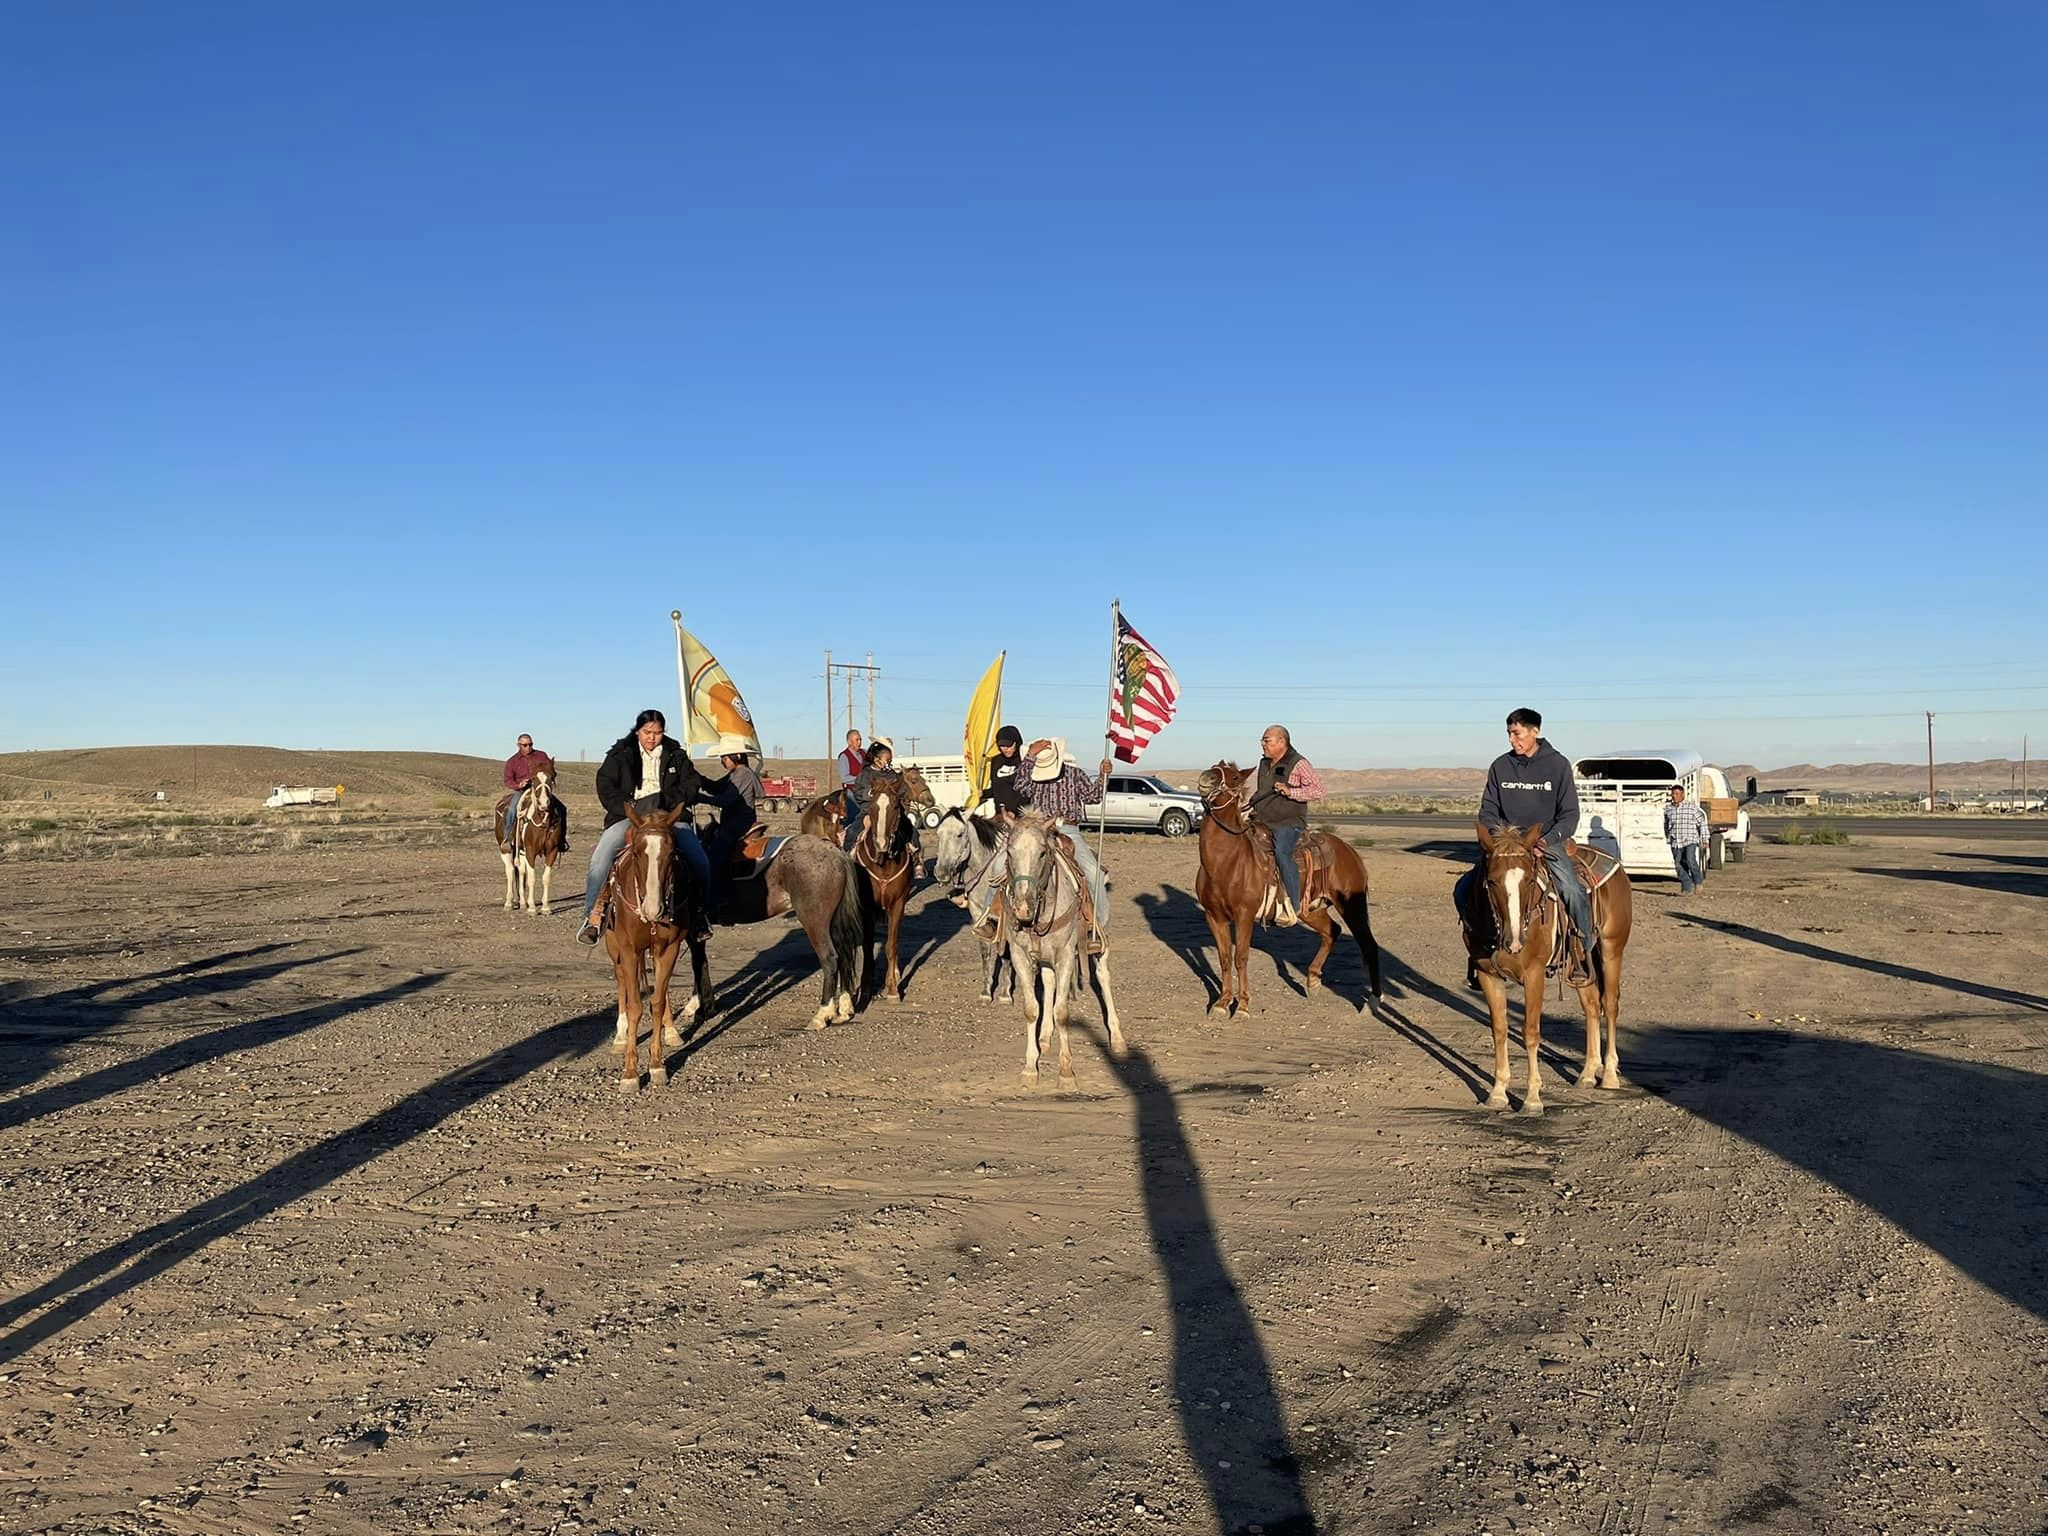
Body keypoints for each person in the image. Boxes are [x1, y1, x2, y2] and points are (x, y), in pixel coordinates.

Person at [1457, 707, 1598, 985]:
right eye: (1509, 733)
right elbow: (1488, 810)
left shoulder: (1557, 765)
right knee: (1464, 889)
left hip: (1544, 841)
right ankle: (1478, 954)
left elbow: (1569, 814)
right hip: (1506, 846)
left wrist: (1548, 838)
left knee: (1571, 888)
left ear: (1535, 732)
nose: (1512, 740)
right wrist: (1499, 839)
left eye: (1517, 733)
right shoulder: (1501, 766)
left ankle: (1582, 947)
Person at [576, 709, 713, 945]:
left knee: (698, 857)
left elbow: (691, 784)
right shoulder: (620, 754)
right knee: (602, 856)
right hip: (631, 817)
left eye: (657, 733)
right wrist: (628, 806)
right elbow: (605, 785)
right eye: (647, 732)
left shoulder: (676, 755)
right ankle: (593, 915)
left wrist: (668, 801)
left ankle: (701, 913)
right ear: (638, 731)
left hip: (667, 817)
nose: (652, 738)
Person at [996, 737, 1112, 955]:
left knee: (1093, 874)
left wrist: (1104, 777)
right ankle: (993, 919)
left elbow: (1094, 796)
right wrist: (1030, 756)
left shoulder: (1075, 775)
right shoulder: (1033, 775)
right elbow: (1019, 785)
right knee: (1002, 869)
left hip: (1069, 830)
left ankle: (1096, 929)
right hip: (1038, 832)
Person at [1248, 725, 1326, 927]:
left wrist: (1291, 792)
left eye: (1267, 740)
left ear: (1282, 741)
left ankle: (1294, 903)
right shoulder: (1264, 763)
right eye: (1263, 740)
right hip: (1262, 820)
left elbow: (1318, 790)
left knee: (1282, 852)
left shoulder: (1298, 763)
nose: (1262, 744)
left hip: (1288, 822)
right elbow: (1262, 791)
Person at [705, 739, 764, 908]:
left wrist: (699, 798)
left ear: (736, 756)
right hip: (733, 821)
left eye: (724, 757)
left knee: (716, 852)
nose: (722, 761)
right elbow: (715, 787)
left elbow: (725, 800)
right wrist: (696, 779)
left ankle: (720, 897)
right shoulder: (734, 773)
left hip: (739, 822)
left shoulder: (743, 774)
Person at [502, 733, 568, 853]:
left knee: (562, 808)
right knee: (512, 809)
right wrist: (519, 784)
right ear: (518, 745)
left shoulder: (541, 756)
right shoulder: (512, 761)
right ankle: (508, 839)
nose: (528, 747)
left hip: (541, 790)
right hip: (523, 791)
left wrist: (547, 778)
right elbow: (508, 780)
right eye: (525, 745)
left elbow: (551, 771)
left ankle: (561, 841)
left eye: (530, 744)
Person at [842, 737, 898, 852]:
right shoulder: (865, 774)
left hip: (890, 813)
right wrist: (868, 794)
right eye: (885, 759)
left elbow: (899, 791)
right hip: (868, 812)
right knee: (852, 832)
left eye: (889, 760)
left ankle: (917, 861)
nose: (888, 762)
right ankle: (848, 857)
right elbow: (857, 792)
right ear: (876, 759)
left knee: (912, 832)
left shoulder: (892, 775)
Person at [1665, 783, 1709, 896]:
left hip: (1690, 839)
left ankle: (1698, 883)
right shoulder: (1669, 809)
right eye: (1673, 794)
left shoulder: (1691, 808)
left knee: (1690, 860)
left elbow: (1702, 823)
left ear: (1682, 794)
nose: (1674, 796)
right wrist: (1668, 836)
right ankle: (1686, 887)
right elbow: (1666, 824)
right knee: (1678, 864)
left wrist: (1704, 839)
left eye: (1677, 794)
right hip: (1676, 841)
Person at [984, 725, 1028, 816]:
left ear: (1016, 743)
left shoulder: (1024, 760)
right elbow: (996, 790)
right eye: (1001, 745)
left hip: (1022, 816)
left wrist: (1015, 810)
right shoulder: (996, 761)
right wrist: (983, 793)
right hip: (1000, 816)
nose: (1005, 749)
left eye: (1008, 745)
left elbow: (1029, 791)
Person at [837, 730, 866, 798]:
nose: (859, 742)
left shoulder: (865, 753)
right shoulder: (844, 756)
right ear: (849, 742)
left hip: (866, 789)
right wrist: (861, 779)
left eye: (860, 739)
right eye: (857, 740)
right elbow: (844, 778)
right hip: (851, 791)